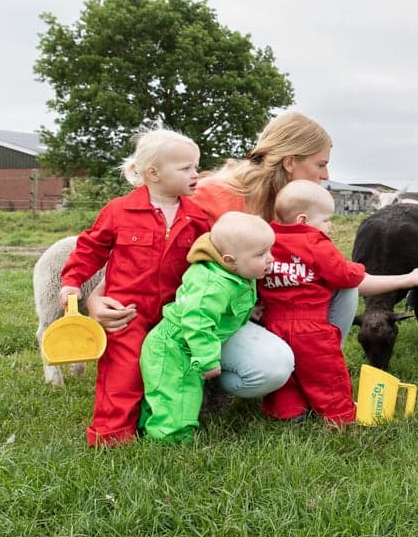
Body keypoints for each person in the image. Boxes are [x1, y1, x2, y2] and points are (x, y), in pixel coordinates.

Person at [83, 112, 349, 401]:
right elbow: (145, 255)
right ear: (289, 162)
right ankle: (204, 380)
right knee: (272, 367)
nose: (326, 176)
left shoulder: (296, 209)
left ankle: (315, 377)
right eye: (320, 165)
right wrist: (97, 298)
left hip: (254, 307)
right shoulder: (212, 196)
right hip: (205, 316)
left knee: (346, 289)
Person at [259, 180, 418, 425]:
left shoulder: (268, 242)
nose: (329, 225)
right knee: (327, 375)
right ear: (302, 221)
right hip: (311, 328)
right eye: (325, 220)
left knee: (289, 375)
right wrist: (355, 270)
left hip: (274, 324)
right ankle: (341, 417)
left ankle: (290, 413)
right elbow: (342, 275)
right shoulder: (316, 245)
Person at [58, 128, 210, 446]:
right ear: (153, 173)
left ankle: (162, 426)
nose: (195, 174)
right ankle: (112, 435)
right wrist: (72, 282)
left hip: (172, 310)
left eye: (196, 166)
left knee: (168, 369)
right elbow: (90, 249)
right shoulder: (119, 211)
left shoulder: (197, 218)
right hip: (127, 309)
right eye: (186, 168)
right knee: (122, 371)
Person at [139, 212, 275, 442]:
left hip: (184, 344)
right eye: (261, 254)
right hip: (175, 346)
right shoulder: (211, 285)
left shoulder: (233, 271)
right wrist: (208, 359)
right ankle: (171, 443)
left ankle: (148, 429)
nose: (270, 258)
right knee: (178, 396)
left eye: (270, 250)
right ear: (230, 260)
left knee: (166, 394)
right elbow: (197, 323)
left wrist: (247, 310)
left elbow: (227, 303)